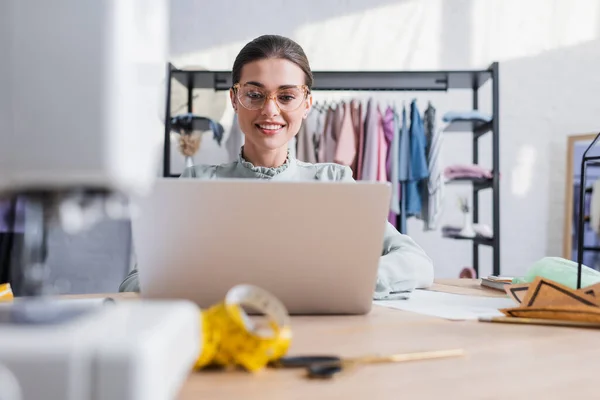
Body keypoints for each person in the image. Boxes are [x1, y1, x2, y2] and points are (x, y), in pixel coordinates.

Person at [119, 34, 434, 299]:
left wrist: (346, 281)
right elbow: (135, 281)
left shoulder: (333, 183)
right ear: (234, 99)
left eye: (286, 96)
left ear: (307, 103)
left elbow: (417, 263)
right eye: (254, 95)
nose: (270, 110)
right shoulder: (196, 184)